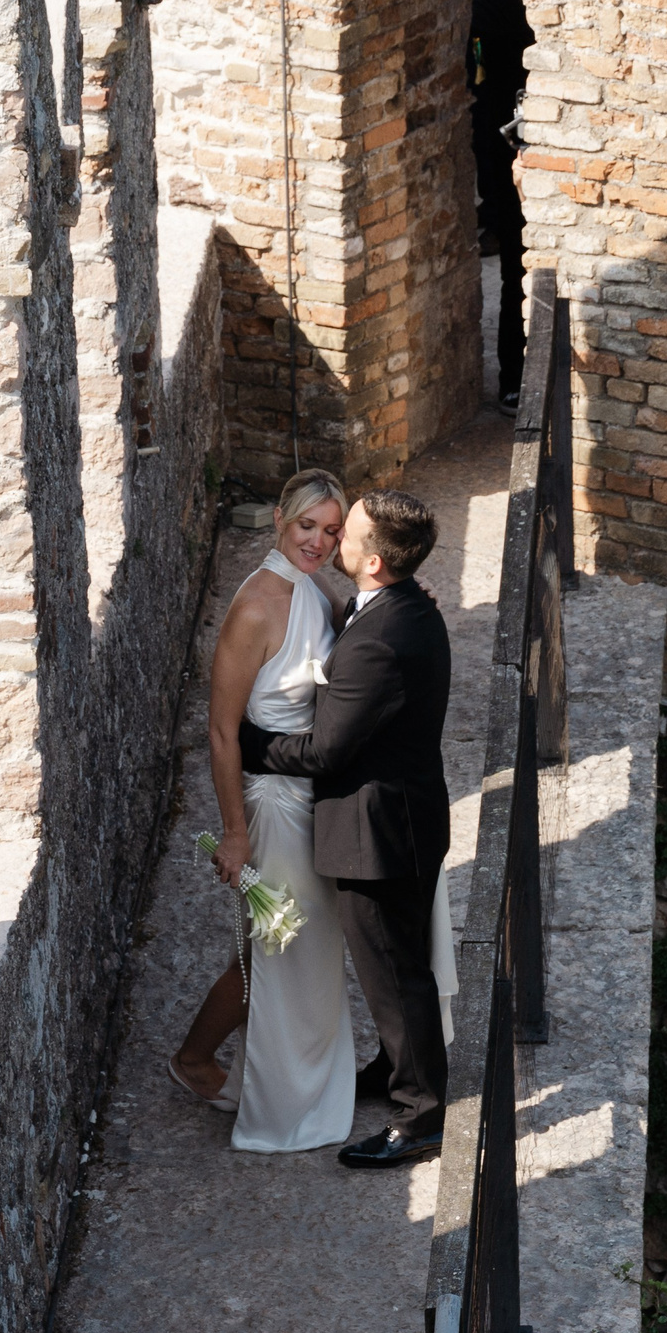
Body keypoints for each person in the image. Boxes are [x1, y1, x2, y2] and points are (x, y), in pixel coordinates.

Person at [241, 489, 455, 1169]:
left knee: (395, 974)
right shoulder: (400, 607)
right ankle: (396, 1063)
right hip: (407, 817)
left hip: (380, 836)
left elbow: (325, 751)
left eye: (348, 534)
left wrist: (252, 745)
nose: (335, 542)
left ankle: (420, 1114)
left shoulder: (380, 641)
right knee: (397, 965)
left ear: (374, 561)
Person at [166, 469, 360, 1153]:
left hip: (308, 794)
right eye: (308, 525)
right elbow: (221, 730)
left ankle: (203, 1059)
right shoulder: (255, 607)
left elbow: (353, 640)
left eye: (332, 530)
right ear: (279, 516)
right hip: (272, 805)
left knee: (275, 950)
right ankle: (247, 1082)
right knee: (283, 950)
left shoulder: (315, 587)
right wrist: (234, 832)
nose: (319, 540)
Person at [470, 0, 535, 412]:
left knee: (517, 267)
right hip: (512, 141)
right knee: (519, 267)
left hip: (503, 140)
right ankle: (516, 380)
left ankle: (514, 380)